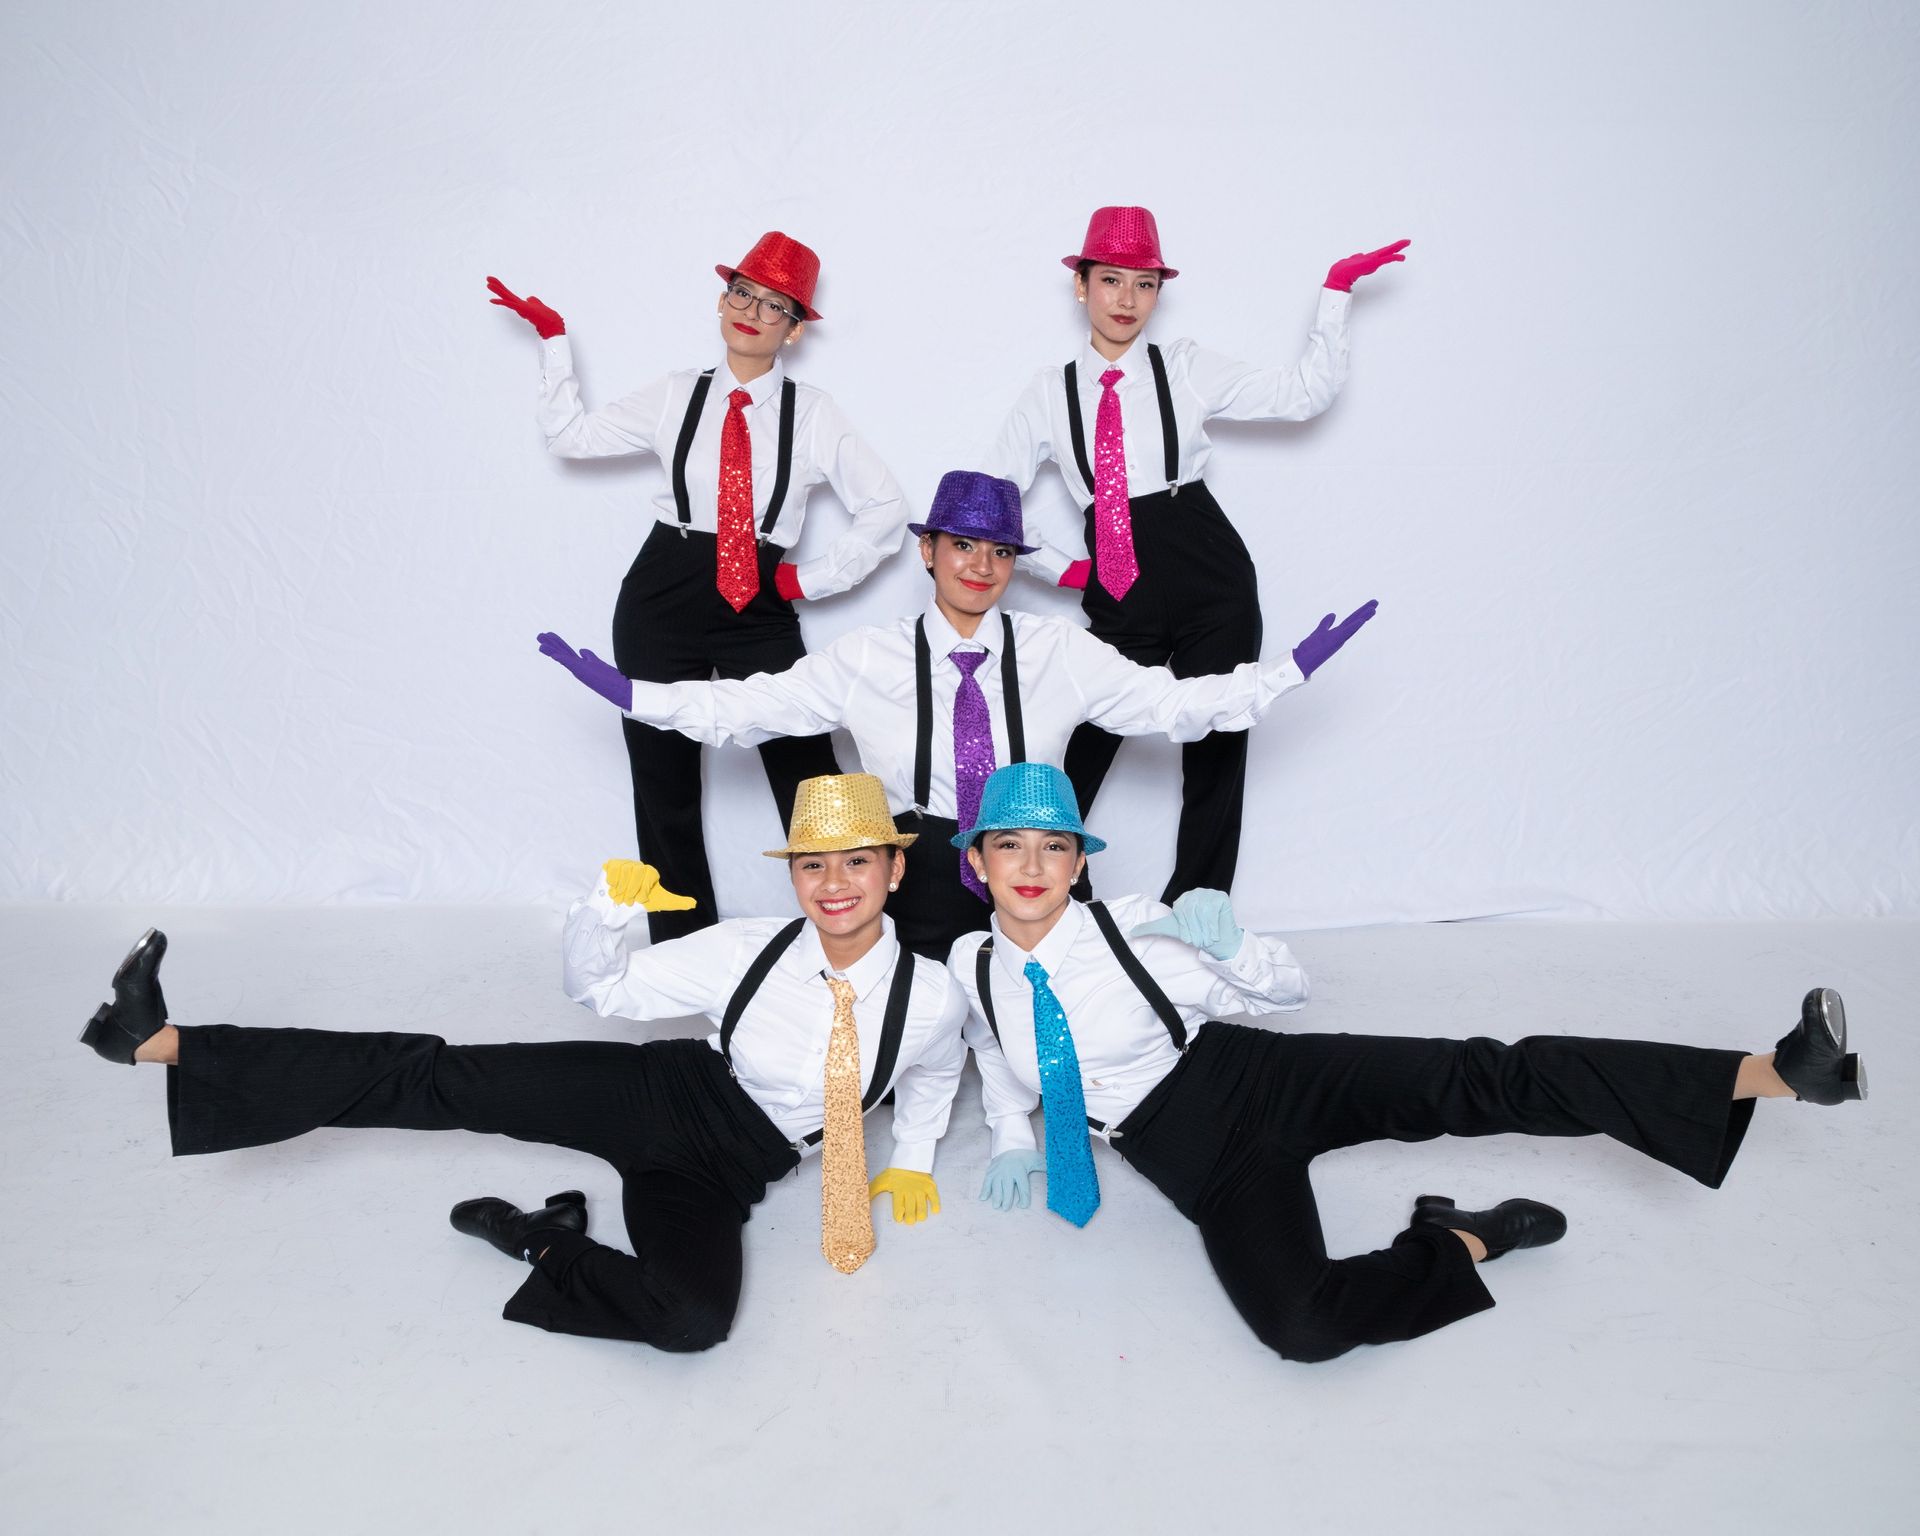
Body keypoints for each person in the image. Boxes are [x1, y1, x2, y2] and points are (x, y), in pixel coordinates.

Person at [947, 762, 1868, 1364]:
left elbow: (1286, 989)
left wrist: (1228, 947)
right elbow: (995, 1042)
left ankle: (1779, 1070)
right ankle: (1463, 1236)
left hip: (1253, 1074)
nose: (1032, 863)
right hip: (1195, 1158)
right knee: (1303, 1329)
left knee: (1483, 1074)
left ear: (1077, 862)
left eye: (1054, 845)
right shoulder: (968, 962)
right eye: (1010, 845)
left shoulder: (1141, 928)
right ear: (978, 863)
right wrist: (1007, 1136)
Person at [77, 774, 967, 1353]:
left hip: (726, 1167)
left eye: (857, 861)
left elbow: (927, 1073)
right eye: (813, 864)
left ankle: (540, 1238)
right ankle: (159, 1040)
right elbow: (604, 992)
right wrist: (605, 910)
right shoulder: (746, 947)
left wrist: (916, 1158)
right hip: (661, 1088)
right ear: (795, 876)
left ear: (893, 869)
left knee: (691, 1322)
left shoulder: (933, 996)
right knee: (438, 1075)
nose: (834, 882)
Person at [536, 470, 1376, 959]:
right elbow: (748, 707)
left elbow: (1177, 708)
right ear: (928, 550)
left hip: (1036, 858)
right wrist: (634, 694)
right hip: (921, 866)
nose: (982, 565)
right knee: (891, 1052)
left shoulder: (1060, 651)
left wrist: (1285, 673)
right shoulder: (868, 656)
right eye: (964, 546)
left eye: (1001, 550)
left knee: (1089, 1045)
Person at [979, 206, 1408, 905]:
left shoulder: (1183, 367)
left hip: (1209, 573)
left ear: (1157, 292)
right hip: (1118, 585)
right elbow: (993, 502)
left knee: (1216, 748)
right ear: (1081, 286)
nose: (1126, 299)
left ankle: (1197, 914)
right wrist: (1064, 568)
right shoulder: (1048, 393)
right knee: (1081, 738)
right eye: (1111, 280)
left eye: (1143, 284)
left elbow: (1304, 396)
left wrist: (1335, 294)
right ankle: (1046, 900)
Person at [488, 233, 910, 943]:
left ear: (794, 326)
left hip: (761, 601)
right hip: (666, 588)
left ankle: (864, 935)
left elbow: (887, 507)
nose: (752, 310)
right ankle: (681, 948)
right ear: (722, 301)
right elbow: (571, 438)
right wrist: (554, 341)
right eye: (742, 293)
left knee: (807, 767)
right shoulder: (676, 394)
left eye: (773, 304)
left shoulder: (813, 412)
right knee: (663, 778)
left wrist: (805, 579)